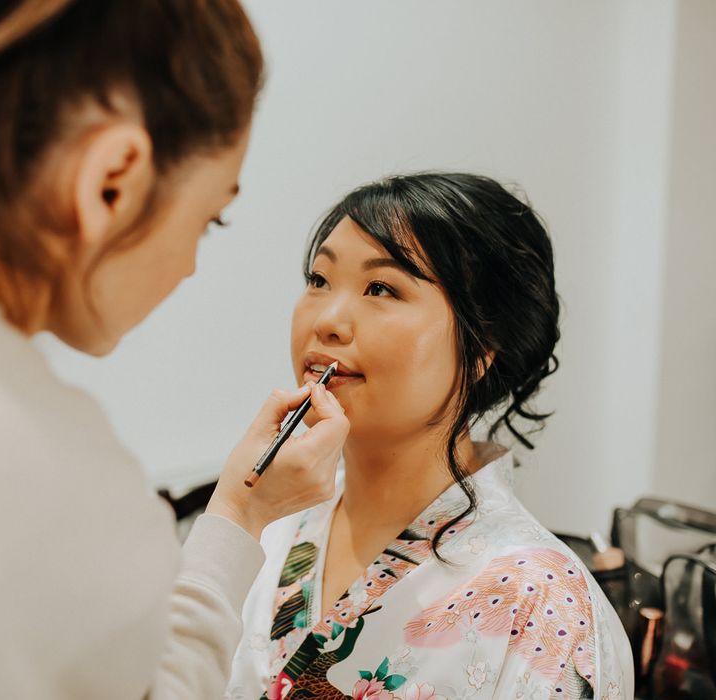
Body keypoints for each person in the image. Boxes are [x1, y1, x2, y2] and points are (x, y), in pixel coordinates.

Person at [0, 1, 349, 698]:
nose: (191, 265)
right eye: (210, 218)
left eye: (386, 290)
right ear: (113, 182)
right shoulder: (49, 471)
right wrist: (242, 517)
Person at [226, 173, 634, 699]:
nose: (326, 320)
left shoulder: (542, 604)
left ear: (483, 344)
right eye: (319, 279)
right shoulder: (270, 524)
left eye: (381, 288)